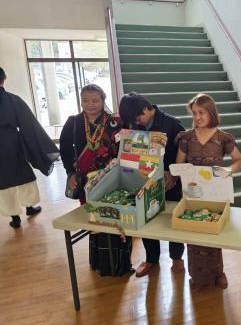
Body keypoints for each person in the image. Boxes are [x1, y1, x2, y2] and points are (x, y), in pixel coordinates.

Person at [60, 84, 132, 276]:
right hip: (86, 182)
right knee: (95, 219)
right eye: (85, 100)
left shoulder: (115, 122)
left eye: (95, 100)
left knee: (116, 216)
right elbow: (65, 150)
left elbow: (126, 148)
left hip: (112, 180)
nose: (90, 104)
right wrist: (70, 173)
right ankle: (101, 263)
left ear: (103, 100)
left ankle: (120, 263)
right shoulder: (73, 122)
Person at [175, 93, 241, 291]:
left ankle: (218, 273)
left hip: (215, 193)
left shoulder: (224, 137)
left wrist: (228, 170)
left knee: (214, 232)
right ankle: (196, 277)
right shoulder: (186, 138)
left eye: (201, 112)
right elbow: (179, 164)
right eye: (194, 113)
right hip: (193, 192)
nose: (197, 117)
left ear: (211, 112)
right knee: (195, 234)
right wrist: (186, 172)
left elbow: (239, 160)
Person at [119, 92, 186, 277]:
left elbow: (185, 152)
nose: (137, 122)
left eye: (138, 117)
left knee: (173, 219)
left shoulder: (172, 123)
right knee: (145, 218)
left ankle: (177, 258)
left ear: (147, 108)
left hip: (170, 183)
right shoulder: (134, 125)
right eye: (133, 120)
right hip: (144, 180)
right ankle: (151, 259)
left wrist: (174, 175)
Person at [0, 66, 59, 228]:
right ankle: (29, 207)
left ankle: (15, 217)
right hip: (12, 142)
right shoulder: (12, 100)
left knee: (3, 180)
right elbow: (29, 125)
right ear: (3, 79)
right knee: (23, 174)